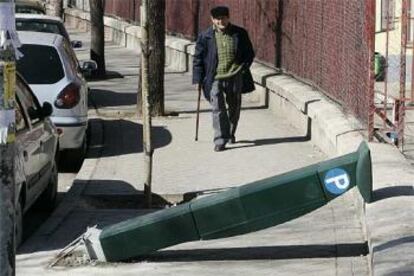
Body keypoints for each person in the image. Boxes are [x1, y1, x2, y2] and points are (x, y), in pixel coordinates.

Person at [193, 6, 255, 152]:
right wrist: (198, 78)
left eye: (223, 18)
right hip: (214, 77)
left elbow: (249, 53)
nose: (221, 21)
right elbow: (198, 59)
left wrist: (243, 68)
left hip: (235, 75)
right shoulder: (205, 36)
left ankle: (230, 133)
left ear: (228, 17)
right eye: (217, 18)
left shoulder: (239, 33)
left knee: (234, 106)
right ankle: (220, 139)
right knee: (218, 108)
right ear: (212, 19)